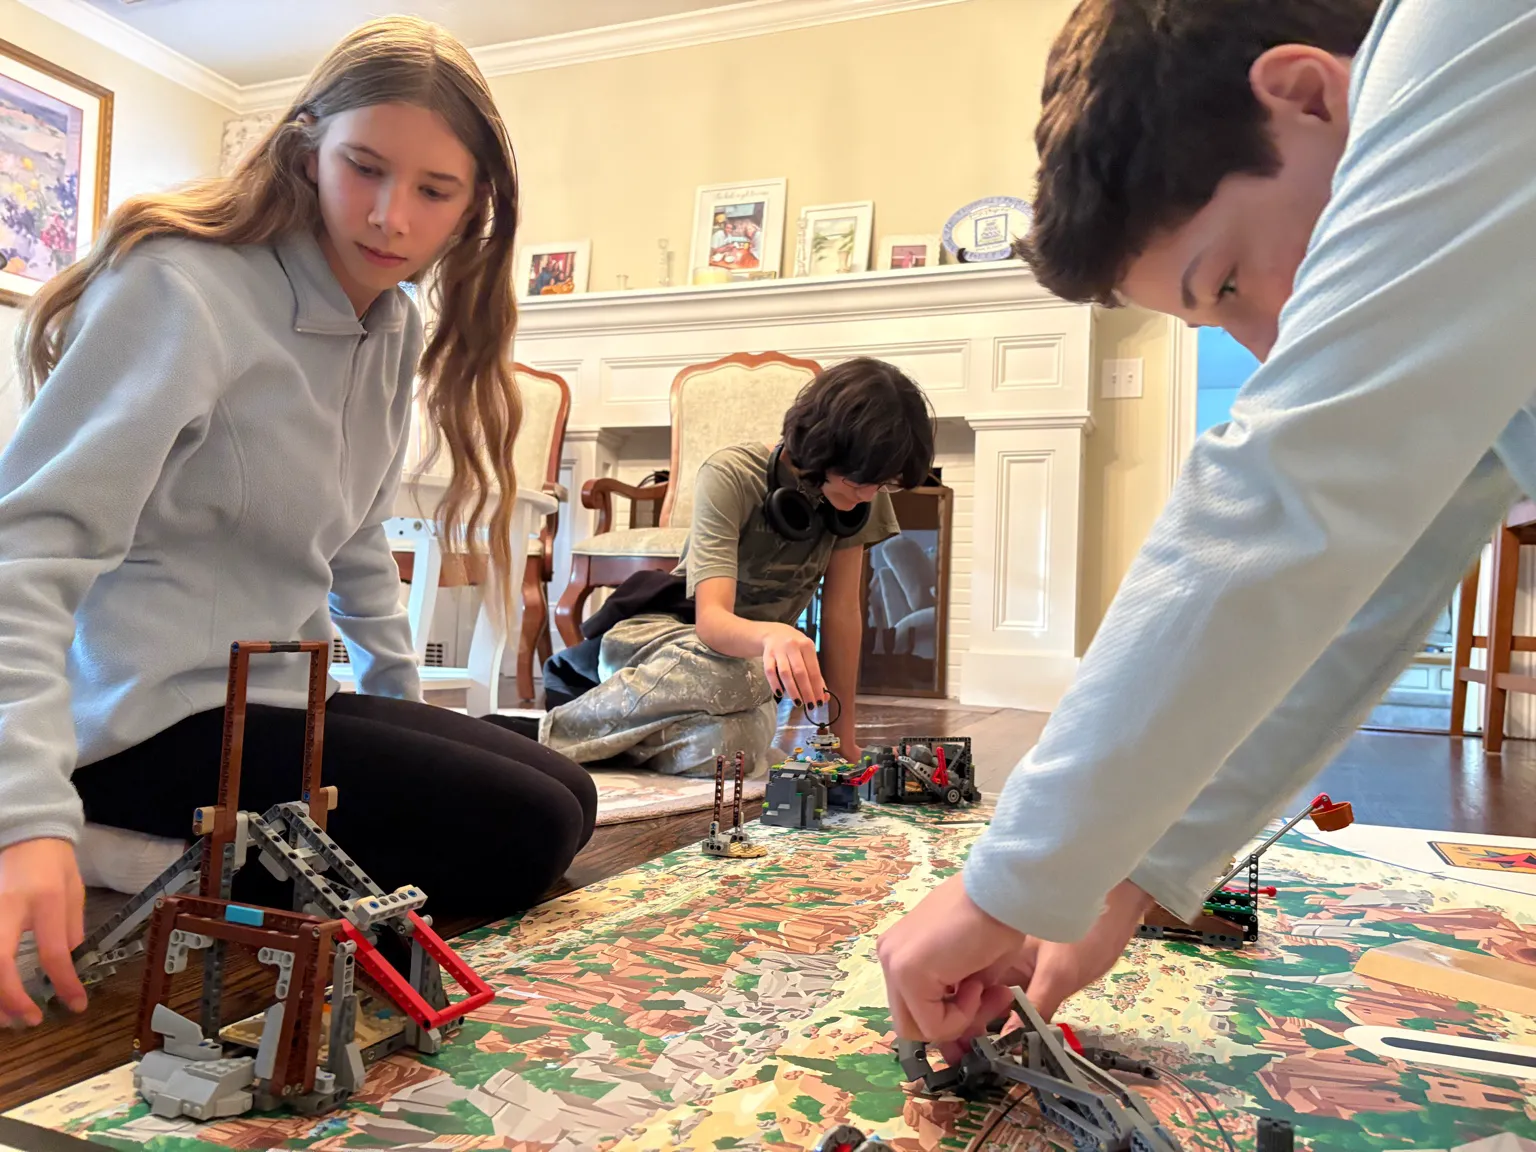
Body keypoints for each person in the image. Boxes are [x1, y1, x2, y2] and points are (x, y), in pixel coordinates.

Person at [878, 0, 1536, 1046]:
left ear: (1310, 93)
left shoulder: (1464, 26)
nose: (1265, 348)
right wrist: (1120, 877)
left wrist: (1002, 885)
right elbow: (1360, 599)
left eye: (1229, 281)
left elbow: (1287, 491)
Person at [0, 16, 598, 1030]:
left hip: (275, 690)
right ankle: (109, 834)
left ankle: (189, 844)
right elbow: (29, 546)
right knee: (525, 830)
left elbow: (356, 534)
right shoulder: (181, 286)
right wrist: (25, 816)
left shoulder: (392, 322)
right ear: (308, 143)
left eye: (432, 191)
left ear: (475, 207)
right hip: (142, 721)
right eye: (363, 167)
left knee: (567, 793)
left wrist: (403, 707)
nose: (388, 216)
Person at [540, 358, 936, 776]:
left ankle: (617, 742)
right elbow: (711, 621)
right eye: (861, 482)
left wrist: (843, 741)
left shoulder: (862, 496)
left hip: (745, 672)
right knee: (743, 678)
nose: (871, 494)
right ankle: (543, 740)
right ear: (823, 447)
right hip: (668, 637)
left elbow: (842, 614)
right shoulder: (730, 473)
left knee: (738, 751)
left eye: (883, 484)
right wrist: (772, 636)